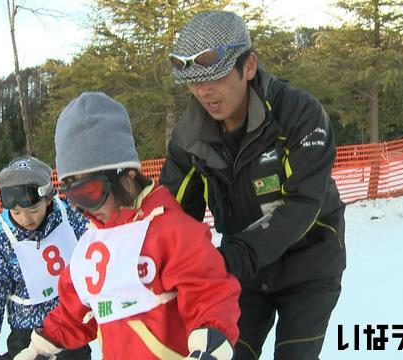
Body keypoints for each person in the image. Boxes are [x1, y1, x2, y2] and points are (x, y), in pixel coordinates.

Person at [160, 10, 346, 359]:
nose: (203, 91)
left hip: (310, 262)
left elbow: (304, 203)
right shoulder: (189, 136)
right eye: (194, 82)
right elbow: (171, 211)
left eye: (214, 76)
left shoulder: (300, 114)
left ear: (249, 66)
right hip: (244, 274)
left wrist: (228, 258)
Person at [14, 92, 241, 360]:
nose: (84, 207)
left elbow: (210, 295)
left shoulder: (170, 232)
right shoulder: (91, 245)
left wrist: (210, 346)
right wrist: (39, 350)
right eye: (72, 196)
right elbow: (75, 312)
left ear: (128, 174)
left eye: (90, 191)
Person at [0, 156, 92, 360]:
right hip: (26, 331)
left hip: (70, 323)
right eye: (16, 212)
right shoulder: (2, 240)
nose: (25, 219)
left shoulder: (70, 219)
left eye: (33, 210)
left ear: (48, 199)